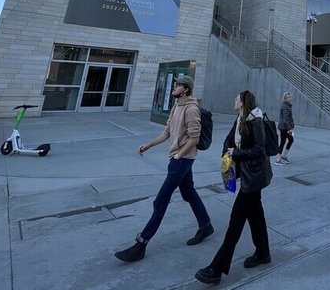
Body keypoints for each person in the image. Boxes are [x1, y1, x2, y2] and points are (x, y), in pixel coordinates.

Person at [114, 75, 213, 262]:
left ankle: (141, 243)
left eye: (177, 85)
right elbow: (167, 132)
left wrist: (179, 155)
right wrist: (149, 145)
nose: (173, 87)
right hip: (179, 159)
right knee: (188, 192)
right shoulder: (176, 106)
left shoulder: (191, 109)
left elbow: (195, 138)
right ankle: (206, 225)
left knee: (160, 201)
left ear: (185, 89)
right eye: (174, 84)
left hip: (182, 161)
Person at [195, 91, 272, 285]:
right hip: (247, 176)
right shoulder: (240, 119)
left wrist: (236, 153)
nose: (234, 100)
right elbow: (229, 139)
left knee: (236, 221)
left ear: (243, 102)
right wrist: (227, 157)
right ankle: (263, 253)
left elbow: (259, 150)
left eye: (237, 98)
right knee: (256, 216)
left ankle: (217, 268)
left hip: (253, 178)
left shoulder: (256, 121)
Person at [275, 92, 295, 165]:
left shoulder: (287, 106)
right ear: (285, 99)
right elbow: (286, 119)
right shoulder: (285, 107)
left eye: (290, 97)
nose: (290, 98)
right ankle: (278, 159)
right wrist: (290, 128)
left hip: (286, 127)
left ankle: (284, 156)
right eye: (289, 97)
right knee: (283, 142)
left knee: (291, 139)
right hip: (285, 128)